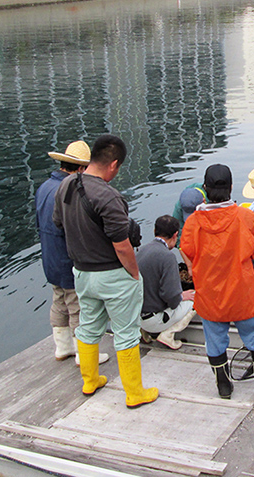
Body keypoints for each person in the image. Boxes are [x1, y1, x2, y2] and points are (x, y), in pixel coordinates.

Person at [52, 134, 158, 409]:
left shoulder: (64, 186)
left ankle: (90, 380)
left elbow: (58, 225)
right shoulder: (109, 196)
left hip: (82, 274)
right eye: (118, 167)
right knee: (126, 333)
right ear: (113, 164)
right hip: (113, 275)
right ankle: (134, 392)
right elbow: (122, 244)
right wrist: (134, 274)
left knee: (88, 328)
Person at [180, 164, 254, 403]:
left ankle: (224, 387)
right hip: (242, 289)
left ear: (205, 189)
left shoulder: (193, 222)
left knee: (214, 341)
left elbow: (187, 251)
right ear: (231, 187)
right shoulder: (244, 217)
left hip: (209, 292)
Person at [37, 141, 108, 366]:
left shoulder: (44, 187)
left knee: (58, 300)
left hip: (49, 257)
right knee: (79, 305)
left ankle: (63, 347)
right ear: (80, 168)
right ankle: (83, 354)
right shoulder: (70, 190)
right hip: (69, 257)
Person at [138, 215, 197, 350]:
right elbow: (171, 297)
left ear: (154, 231)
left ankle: (144, 332)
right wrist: (182, 295)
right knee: (196, 299)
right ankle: (168, 334)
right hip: (153, 319)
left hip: (137, 316)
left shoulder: (142, 250)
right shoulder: (167, 257)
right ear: (176, 235)